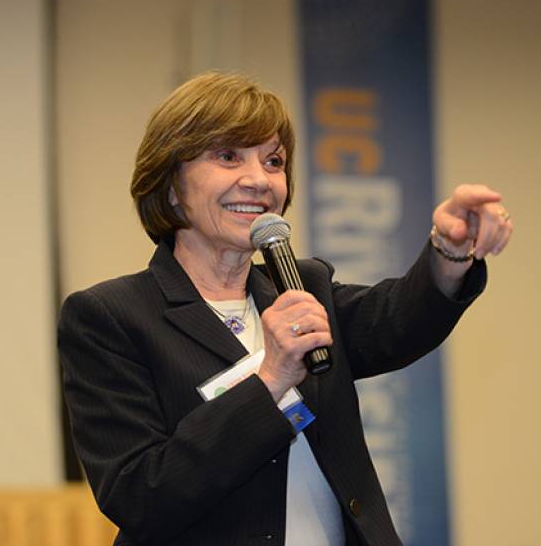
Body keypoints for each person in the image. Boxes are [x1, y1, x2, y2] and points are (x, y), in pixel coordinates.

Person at [58, 71, 513, 546]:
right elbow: (140, 494)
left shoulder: (302, 287)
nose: (258, 180)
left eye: (273, 161)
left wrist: (449, 251)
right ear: (171, 184)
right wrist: (270, 379)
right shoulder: (110, 317)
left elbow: (395, 320)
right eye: (228, 156)